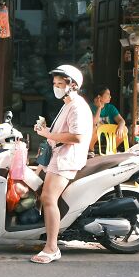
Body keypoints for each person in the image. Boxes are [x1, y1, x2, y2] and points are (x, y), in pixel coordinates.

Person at [32, 65, 93, 264]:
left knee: (48, 198)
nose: (56, 87)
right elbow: (61, 132)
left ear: (72, 85)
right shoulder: (67, 104)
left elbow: (76, 136)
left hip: (66, 159)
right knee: (42, 195)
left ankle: (51, 248)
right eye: (55, 84)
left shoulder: (77, 106)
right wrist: (46, 130)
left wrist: (48, 134)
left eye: (60, 84)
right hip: (58, 157)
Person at [89, 86, 128, 154]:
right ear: (99, 97)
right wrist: (99, 108)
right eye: (108, 94)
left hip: (109, 136)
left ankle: (111, 149)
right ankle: (91, 150)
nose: (110, 97)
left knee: (124, 129)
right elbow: (94, 122)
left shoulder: (111, 107)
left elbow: (121, 121)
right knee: (93, 128)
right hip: (96, 137)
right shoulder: (89, 107)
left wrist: (120, 127)